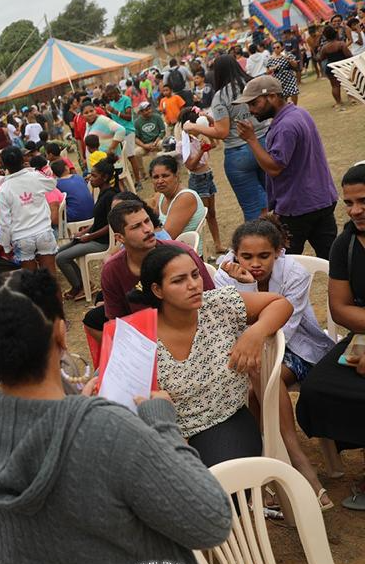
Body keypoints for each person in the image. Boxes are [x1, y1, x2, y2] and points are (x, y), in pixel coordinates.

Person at [0, 261, 231, 564]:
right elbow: (209, 520)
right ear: (61, 333)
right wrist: (161, 422)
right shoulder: (107, 429)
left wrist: (75, 403)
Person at [131, 245, 293, 468]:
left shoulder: (217, 305)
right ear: (158, 290)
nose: (193, 285)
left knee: (216, 481)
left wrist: (254, 333)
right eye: (179, 280)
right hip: (167, 434)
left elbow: (280, 304)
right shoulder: (141, 335)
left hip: (224, 420)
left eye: (195, 275)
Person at [215, 217, 335, 506]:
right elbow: (231, 326)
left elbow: (282, 329)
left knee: (260, 377)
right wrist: (243, 283)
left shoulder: (295, 273)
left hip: (297, 349)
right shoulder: (224, 275)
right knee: (258, 372)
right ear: (234, 254)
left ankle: (274, 461)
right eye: (246, 256)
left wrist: (252, 288)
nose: (255, 263)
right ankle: (288, 459)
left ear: (279, 251)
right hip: (247, 354)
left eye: (264, 256)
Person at [297, 165, 365, 510]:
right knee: (316, 389)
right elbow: (339, 309)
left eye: (363, 201)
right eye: (349, 203)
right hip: (362, 336)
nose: (355, 211)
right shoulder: (345, 244)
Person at [234, 75, 338, 258]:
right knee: (332, 260)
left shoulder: (285, 126)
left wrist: (251, 139)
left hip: (298, 206)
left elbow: (274, 167)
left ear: (272, 97)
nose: (251, 110)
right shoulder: (299, 113)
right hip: (321, 199)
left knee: (283, 265)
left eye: (254, 103)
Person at [83, 202, 214, 342]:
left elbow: (212, 299)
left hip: (195, 329)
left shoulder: (182, 253)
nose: (147, 229)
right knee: (92, 318)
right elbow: (119, 322)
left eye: (147, 221)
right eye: (136, 226)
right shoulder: (112, 270)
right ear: (120, 238)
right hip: (146, 339)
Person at [184, 54, 269, 222]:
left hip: (239, 153)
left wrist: (193, 127)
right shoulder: (253, 85)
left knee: (252, 209)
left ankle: (260, 241)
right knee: (272, 199)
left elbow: (222, 132)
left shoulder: (221, 96)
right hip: (265, 144)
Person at [56, 156, 119, 301]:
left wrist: (89, 237)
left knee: (62, 258)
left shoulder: (111, 196)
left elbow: (110, 225)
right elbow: (99, 221)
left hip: (102, 241)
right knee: (59, 252)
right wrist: (84, 232)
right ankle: (82, 284)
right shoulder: (101, 192)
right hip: (93, 236)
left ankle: (82, 287)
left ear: (105, 177)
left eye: (94, 176)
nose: (90, 178)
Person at [0, 146, 59, 277]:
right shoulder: (35, 176)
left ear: (3, 164)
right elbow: (52, 183)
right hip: (43, 232)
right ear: (23, 160)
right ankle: (57, 299)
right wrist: (31, 169)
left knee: (31, 282)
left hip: (21, 238)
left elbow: (4, 222)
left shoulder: (4, 188)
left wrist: (6, 246)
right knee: (51, 277)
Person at [178, 107, 223, 254]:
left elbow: (215, 144)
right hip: (197, 179)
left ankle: (218, 245)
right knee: (202, 217)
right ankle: (204, 250)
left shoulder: (197, 139)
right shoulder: (183, 144)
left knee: (212, 213)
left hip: (207, 176)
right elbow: (190, 165)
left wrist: (209, 124)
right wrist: (202, 151)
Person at [150, 155, 206, 251]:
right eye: (155, 177)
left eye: (165, 176)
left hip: (186, 256)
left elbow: (166, 237)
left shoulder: (186, 197)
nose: (160, 181)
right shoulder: (160, 196)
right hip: (169, 252)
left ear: (176, 175)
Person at [105, 84, 143, 188]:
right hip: (118, 134)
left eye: (110, 95)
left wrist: (115, 112)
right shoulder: (112, 103)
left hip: (128, 131)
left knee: (131, 156)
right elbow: (114, 119)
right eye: (108, 96)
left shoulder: (126, 100)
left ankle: (138, 181)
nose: (109, 97)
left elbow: (128, 117)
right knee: (120, 158)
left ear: (116, 92)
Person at [82, 100, 124, 175]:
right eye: (86, 113)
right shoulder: (88, 124)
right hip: (97, 166)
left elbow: (121, 130)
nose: (89, 114)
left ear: (95, 110)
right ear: (82, 116)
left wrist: (111, 149)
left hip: (110, 165)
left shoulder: (102, 120)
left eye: (91, 111)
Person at [51, 158, 94, 223]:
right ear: (67, 168)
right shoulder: (78, 177)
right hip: (92, 212)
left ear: (54, 174)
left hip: (75, 217)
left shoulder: (57, 184)